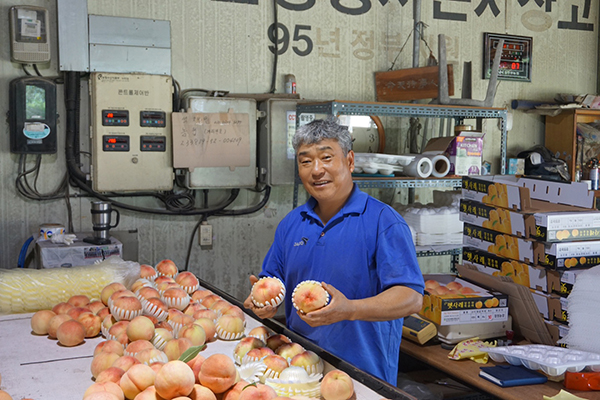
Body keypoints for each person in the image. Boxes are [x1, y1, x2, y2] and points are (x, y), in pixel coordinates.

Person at [243, 116, 424, 385]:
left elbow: (411, 297)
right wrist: (262, 302)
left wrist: (349, 309)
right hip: (300, 371)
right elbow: (273, 280)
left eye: (327, 158)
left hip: (362, 378)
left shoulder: (382, 222)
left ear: (349, 161)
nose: (316, 170)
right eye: (306, 161)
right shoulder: (291, 224)